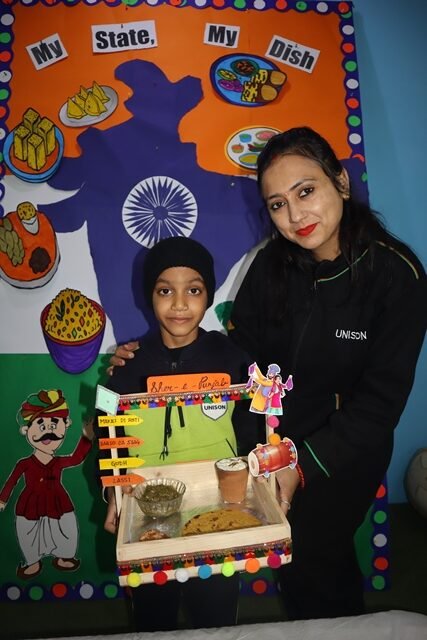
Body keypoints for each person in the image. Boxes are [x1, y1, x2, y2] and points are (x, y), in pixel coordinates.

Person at [109, 127, 426, 622]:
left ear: (341, 182)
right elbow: (241, 356)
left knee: (316, 558)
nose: (295, 216)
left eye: (306, 191)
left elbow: (379, 405)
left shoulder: (396, 276)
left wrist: (301, 464)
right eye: (278, 204)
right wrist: (150, 358)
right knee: (292, 564)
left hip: (342, 451)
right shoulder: (271, 264)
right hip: (271, 440)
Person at [100, 236, 259, 631]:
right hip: (147, 517)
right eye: (165, 291)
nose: (180, 304)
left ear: (208, 296)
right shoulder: (126, 365)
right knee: (153, 616)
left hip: (217, 512)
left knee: (216, 614)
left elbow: (252, 432)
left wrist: (254, 488)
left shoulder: (234, 360)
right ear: (149, 296)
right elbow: (108, 434)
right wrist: (112, 494)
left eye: (194, 290)